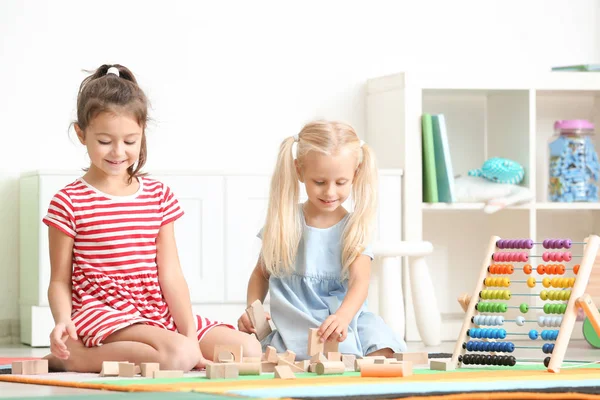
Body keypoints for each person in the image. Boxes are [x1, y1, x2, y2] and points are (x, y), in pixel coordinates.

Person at [43, 64, 260, 373]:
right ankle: (75, 357)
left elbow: (170, 274)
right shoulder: (69, 201)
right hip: (104, 312)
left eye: (130, 141)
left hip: (154, 309)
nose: (118, 152)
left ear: (142, 132)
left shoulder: (158, 196)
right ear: (81, 133)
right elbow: (59, 281)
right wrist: (64, 320)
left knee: (248, 350)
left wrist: (189, 335)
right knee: (179, 357)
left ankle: (177, 346)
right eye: (105, 141)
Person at [237, 120, 407, 360]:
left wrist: (343, 317)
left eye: (340, 183)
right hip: (297, 319)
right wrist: (252, 310)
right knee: (293, 354)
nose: (329, 192)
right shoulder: (283, 224)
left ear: (355, 175)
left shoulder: (354, 227)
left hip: (346, 317)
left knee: (384, 347)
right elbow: (260, 275)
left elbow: (360, 282)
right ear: (299, 171)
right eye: (319, 182)